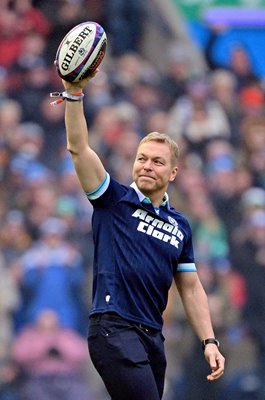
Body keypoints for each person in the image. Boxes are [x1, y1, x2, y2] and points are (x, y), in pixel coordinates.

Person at [58, 70, 225, 400]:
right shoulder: (112, 200)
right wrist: (74, 94)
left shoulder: (180, 226)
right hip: (114, 328)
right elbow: (79, 149)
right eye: (142, 159)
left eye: (158, 162)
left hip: (152, 337)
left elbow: (191, 288)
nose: (147, 166)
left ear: (173, 172)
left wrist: (209, 341)